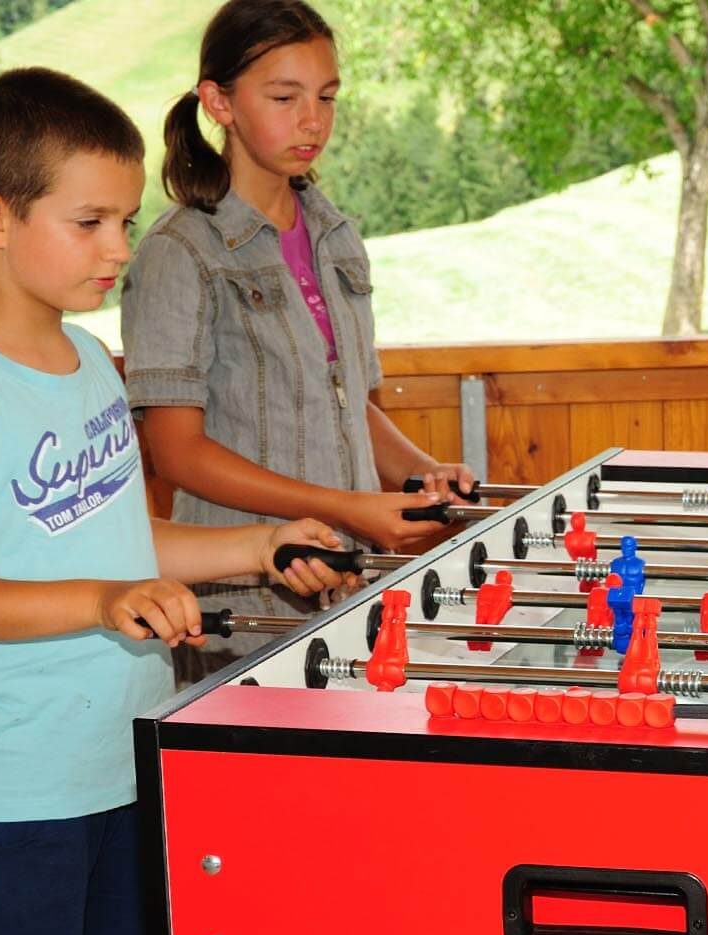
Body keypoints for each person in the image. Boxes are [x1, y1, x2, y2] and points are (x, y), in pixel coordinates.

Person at [0, 68, 351, 935]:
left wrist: (261, 544)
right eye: (88, 223)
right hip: (16, 793)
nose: (118, 248)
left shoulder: (93, 361)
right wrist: (99, 601)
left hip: (127, 761)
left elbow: (123, 539)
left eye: (124, 222)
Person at [122, 0, 472, 677]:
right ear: (218, 102)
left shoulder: (334, 235)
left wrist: (419, 475)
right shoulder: (179, 252)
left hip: (352, 583)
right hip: (242, 605)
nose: (313, 120)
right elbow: (177, 453)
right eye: (284, 96)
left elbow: (348, 403)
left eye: (328, 97)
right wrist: (348, 508)